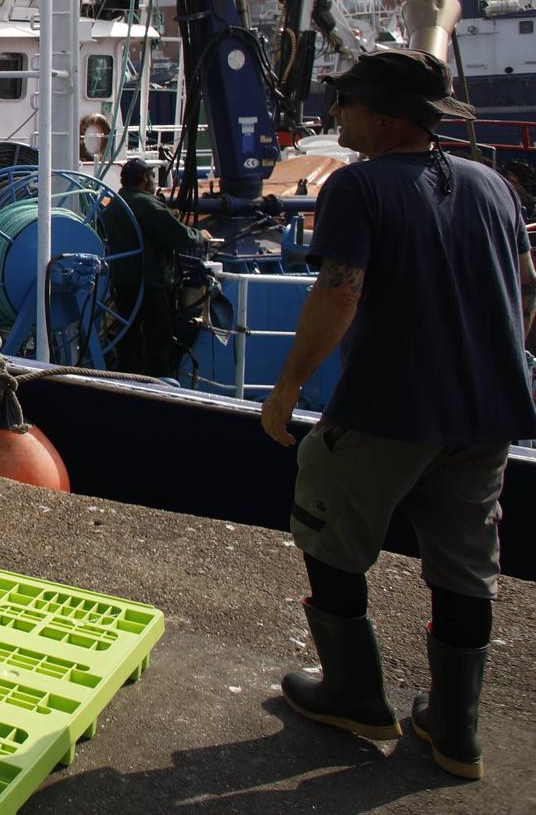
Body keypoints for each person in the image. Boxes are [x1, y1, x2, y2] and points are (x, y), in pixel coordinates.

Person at [260, 50, 536, 781]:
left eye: (344, 101)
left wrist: (288, 388)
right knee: (466, 566)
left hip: (389, 408)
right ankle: (456, 731)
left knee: (326, 527)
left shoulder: (358, 186)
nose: (337, 114)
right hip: (486, 416)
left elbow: (339, 291)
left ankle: (354, 693)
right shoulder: (496, 186)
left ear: (380, 114)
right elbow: (527, 291)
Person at [101, 158, 206, 377]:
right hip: (151, 282)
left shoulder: (115, 205)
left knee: (128, 334)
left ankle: (125, 378)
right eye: (150, 176)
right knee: (158, 336)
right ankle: (159, 382)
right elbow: (176, 235)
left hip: (123, 282)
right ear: (142, 178)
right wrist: (199, 236)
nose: (152, 181)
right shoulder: (147, 204)